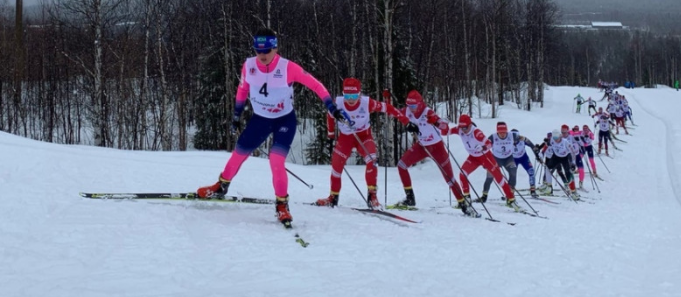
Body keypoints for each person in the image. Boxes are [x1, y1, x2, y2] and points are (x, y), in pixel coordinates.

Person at [196, 28, 347, 227]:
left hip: (284, 120)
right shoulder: (249, 65)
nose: (262, 55)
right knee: (238, 154)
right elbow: (242, 90)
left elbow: (316, 85)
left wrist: (331, 107)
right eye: (258, 51)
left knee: (276, 160)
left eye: (267, 50)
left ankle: (282, 204)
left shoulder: (287, 67)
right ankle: (221, 186)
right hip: (260, 119)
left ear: (275, 48)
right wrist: (236, 115)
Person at [314, 78, 409, 209]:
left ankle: (372, 196)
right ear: (343, 94)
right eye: (347, 95)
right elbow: (330, 116)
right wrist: (330, 133)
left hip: (364, 136)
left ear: (359, 94)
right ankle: (333, 197)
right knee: (336, 165)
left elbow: (387, 108)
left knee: (372, 160)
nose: (351, 99)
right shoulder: (338, 103)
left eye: (354, 96)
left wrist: (405, 120)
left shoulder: (367, 103)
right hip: (345, 138)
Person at [392, 90, 481, 218]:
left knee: (449, 178)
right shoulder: (407, 111)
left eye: (414, 106)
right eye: (409, 106)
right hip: (422, 146)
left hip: (437, 147)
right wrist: (389, 102)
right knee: (401, 165)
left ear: (420, 103)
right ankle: (410, 198)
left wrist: (436, 122)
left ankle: (464, 206)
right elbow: (394, 113)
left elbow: (445, 128)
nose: (411, 109)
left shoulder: (427, 112)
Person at [448, 116, 520, 211]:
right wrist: (437, 124)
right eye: (461, 127)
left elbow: (489, 143)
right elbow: (445, 132)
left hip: (486, 157)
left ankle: (511, 199)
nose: (463, 130)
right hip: (473, 157)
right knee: (462, 174)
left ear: (470, 125)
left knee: (499, 178)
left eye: (465, 127)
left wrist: (483, 148)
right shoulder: (459, 129)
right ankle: (466, 199)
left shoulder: (476, 132)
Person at [538, 128, 581, 200]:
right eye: (554, 138)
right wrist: (541, 155)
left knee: (568, 174)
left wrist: (573, 162)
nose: (555, 140)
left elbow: (573, 152)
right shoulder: (552, 140)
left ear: (560, 136)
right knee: (548, 168)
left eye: (557, 138)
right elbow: (546, 146)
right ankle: (549, 187)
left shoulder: (565, 142)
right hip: (556, 156)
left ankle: (574, 192)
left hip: (566, 157)